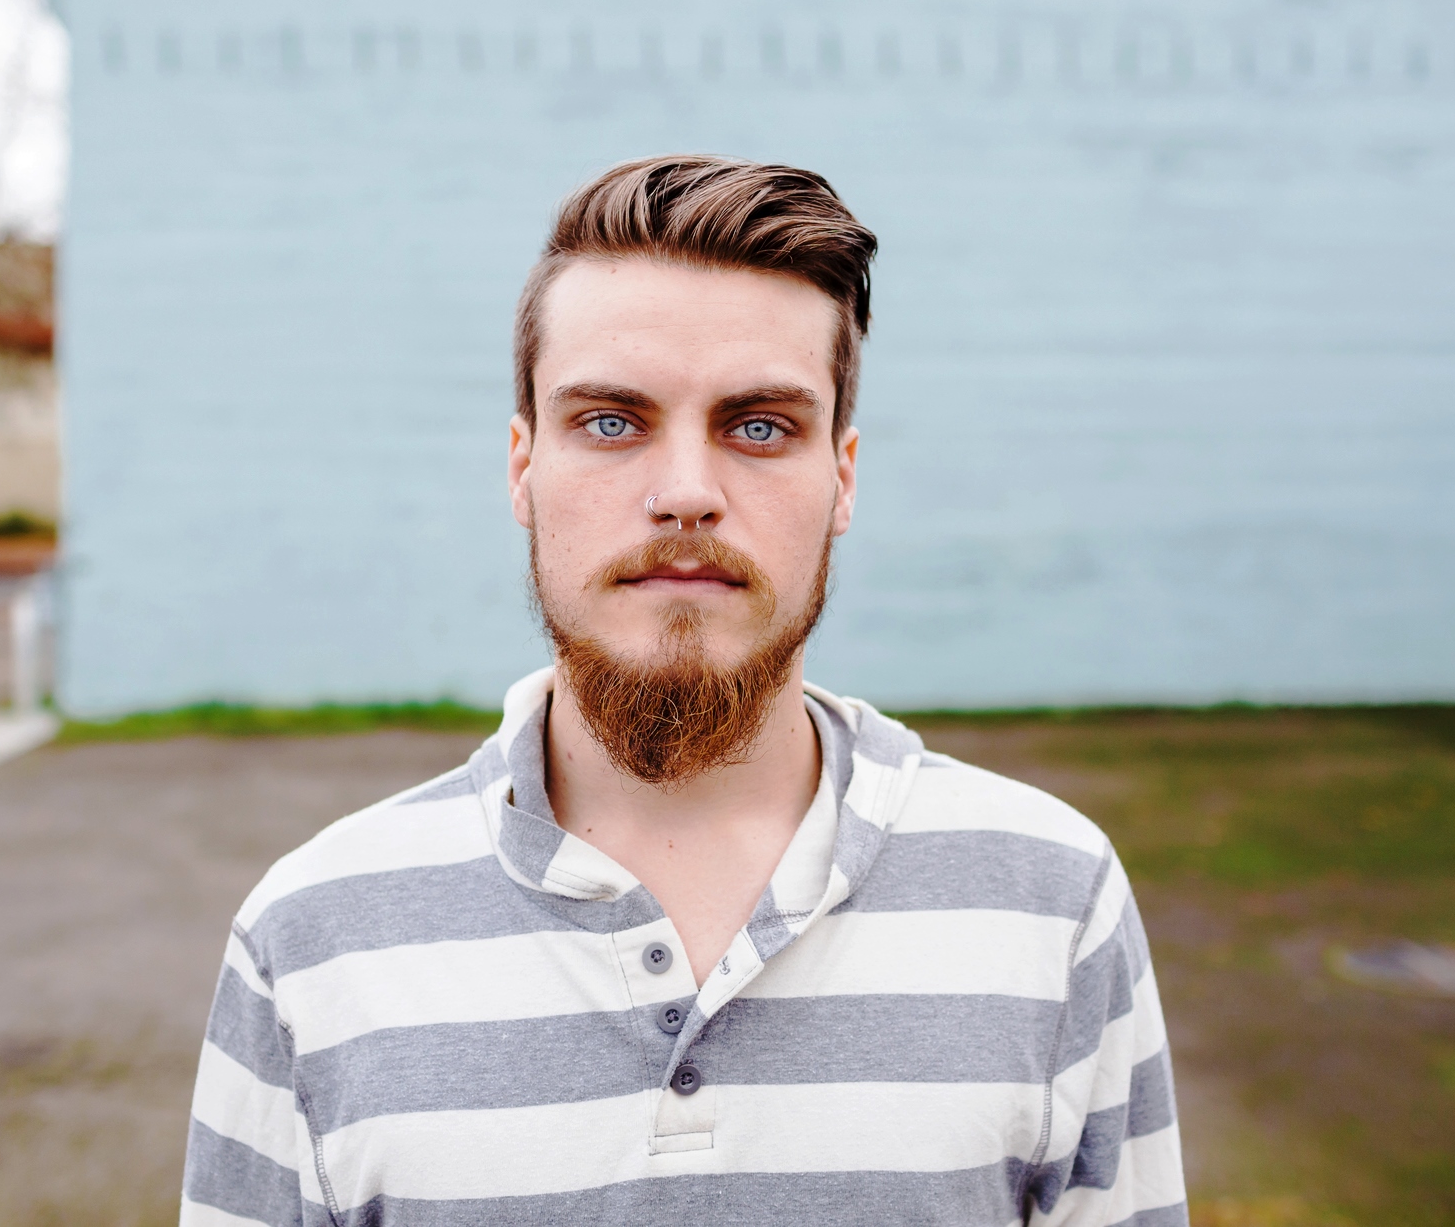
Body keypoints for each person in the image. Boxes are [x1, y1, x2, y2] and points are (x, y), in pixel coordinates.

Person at [179, 155, 1186, 1226]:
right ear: (522, 467)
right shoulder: (310, 936)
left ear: (841, 476)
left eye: (758, 426)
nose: (686, 493)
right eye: (610, 421)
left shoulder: (1051, 898)